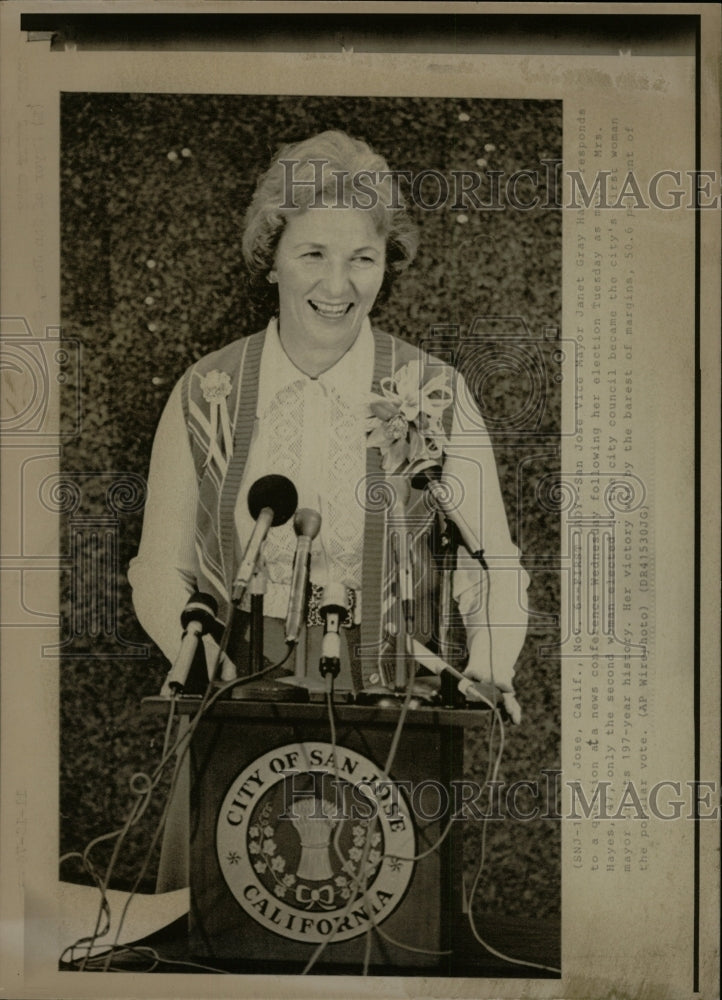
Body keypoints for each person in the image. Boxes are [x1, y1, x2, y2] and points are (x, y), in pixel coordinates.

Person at [129, 129, 529, 718]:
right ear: (272, 259)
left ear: (384, 266)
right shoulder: (205, 394)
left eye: (361, 259)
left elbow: (490, 563)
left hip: (396, 707)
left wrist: (489, 668)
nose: (337, 286)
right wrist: (203, 661)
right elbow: (162, 567)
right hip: (237, 698)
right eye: (313, 254)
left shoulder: (436, 393)